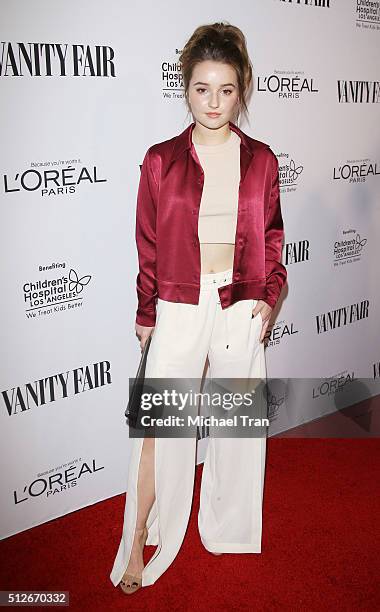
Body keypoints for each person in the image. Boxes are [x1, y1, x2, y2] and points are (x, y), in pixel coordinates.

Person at [110, 21, 287, 594]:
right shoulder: (160, 160)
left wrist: (270, 293)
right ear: (185, 88)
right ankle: (139, 534)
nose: (214, 102)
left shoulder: (261, 160)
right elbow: (148, 242)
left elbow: (273, 235)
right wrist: (146, 311)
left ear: (243, 91)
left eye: (226, 89)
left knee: (236, 427)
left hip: (239, 303)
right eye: (202, 88)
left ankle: (231, 527)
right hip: (179, 302)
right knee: (161, 426)